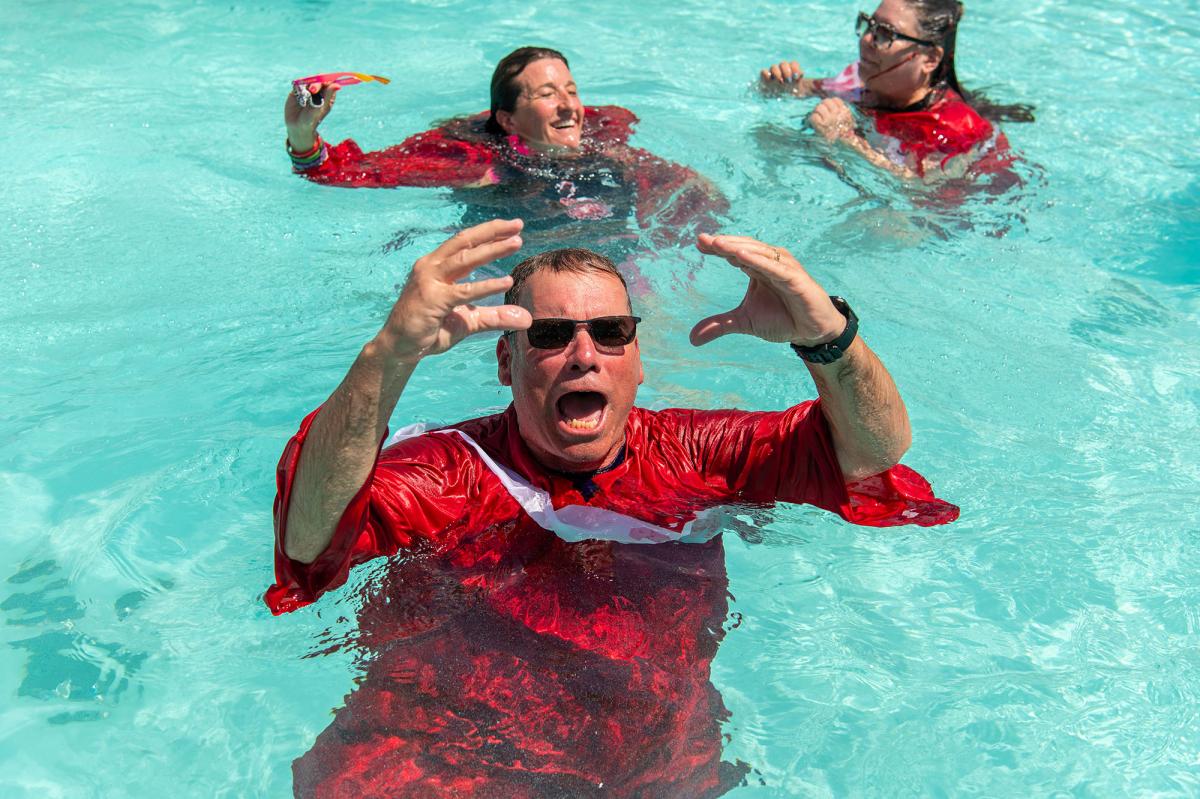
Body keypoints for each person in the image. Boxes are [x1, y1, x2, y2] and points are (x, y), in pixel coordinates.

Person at [267, 218, 959, 797]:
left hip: (655, 767)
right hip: (437, 762)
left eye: (610, 331)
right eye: (549, 334)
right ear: (505, 363)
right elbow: (309, 538)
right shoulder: (452, 472)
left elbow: (871, 451)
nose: (583, 355)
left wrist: (829, 339)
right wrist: (387, 357)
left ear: (637, 358)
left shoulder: (696, 456)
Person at [284, 47, 727, 253]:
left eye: (571, 90)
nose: (569, 106)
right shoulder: (477, 161)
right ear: (509, 120)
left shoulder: (604, 143)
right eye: (547, 94)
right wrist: (302, 135)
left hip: (606, 262)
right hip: (505, 272)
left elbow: (672, 185)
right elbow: (352, 172)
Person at [759, 0, 1034, 180]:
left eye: (886, 34)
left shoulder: (955, 129)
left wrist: (846, 139)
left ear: (930, 59)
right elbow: (798, 90)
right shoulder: (859, 79)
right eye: (869, 25)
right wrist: (779, 84)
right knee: (767, 137)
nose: (867, 39)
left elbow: (922, 194)